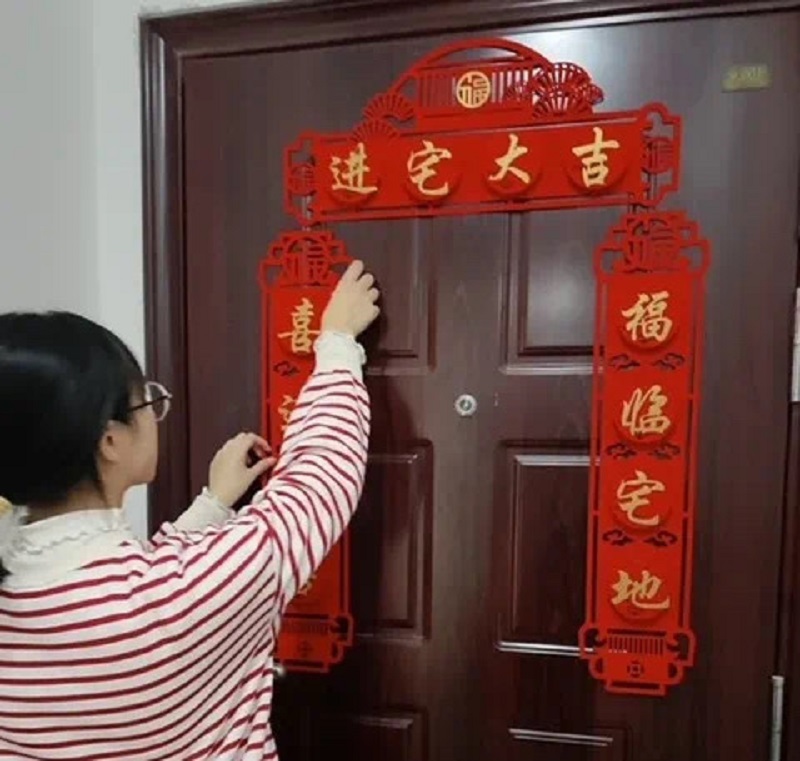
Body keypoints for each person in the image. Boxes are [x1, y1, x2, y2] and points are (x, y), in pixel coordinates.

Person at [0, 261, 379, 760]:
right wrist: (337, 343)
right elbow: (319, 482)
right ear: (109, 441)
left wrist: (213, 504)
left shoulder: (32, 588)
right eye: (146, 403)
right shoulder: (170, 600)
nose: (155, 416)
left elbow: (148, 585)